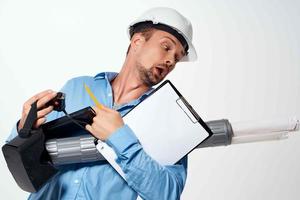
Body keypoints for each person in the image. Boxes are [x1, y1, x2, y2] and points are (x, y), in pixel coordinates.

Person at [6, 7, 197, 200]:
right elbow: (18, 158)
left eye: (177, 58)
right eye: (166, 47)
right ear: (137, 41)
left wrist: (120, 138)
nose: (171, 61)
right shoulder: (77, 87)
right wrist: (24, 130)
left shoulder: (167, 117)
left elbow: (168, 194)